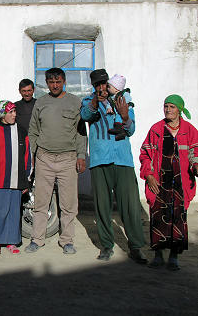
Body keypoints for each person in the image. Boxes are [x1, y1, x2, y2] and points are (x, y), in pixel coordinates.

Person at [80, 69, 147, 263]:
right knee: (102, 206)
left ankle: (135, 247)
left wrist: (125, 117)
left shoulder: (121, 99)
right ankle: (107, 246)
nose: (102, 88)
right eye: (98, 85)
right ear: (93, 86)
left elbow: (131, 129)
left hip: (122, 159)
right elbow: (86, 115)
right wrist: (96, 101)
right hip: (100, 159)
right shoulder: (88, 101)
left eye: (104, 83)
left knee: (130, 205)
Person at [25, 68, 87, 255]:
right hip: (44, 158)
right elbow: (33, 131)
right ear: (46, 83)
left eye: (58, 81)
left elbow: (81, 132)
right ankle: (37, 239)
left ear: (64, 81)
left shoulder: (75, 102)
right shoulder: (41, 103)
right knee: (41, 202)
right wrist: (33, 157)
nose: (55, 85)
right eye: (51, 82)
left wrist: (81, 156)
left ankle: (67, 240)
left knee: (68, 203)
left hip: (68, 159)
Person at [140, 95, 198, 270]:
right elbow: (145, 155)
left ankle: (174, 257)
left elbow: (195, 152)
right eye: (166, 106)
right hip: (159, 183)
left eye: (172, 107)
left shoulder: (189, 130)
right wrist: (149, 175)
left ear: (179, 109)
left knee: (178, 219)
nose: (168, 110)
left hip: (180, 185)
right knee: (158, 219)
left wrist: (195, 165)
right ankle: (158, 256)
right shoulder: (156, 129)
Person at [0, 100, 32, 255]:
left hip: (16, 179)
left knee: (13, 211)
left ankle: (12, 241)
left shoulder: (21, 131)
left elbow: (27, 157)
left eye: (14, 112)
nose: (14, 115)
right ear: (2, 114)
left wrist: (25, 179)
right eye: (10, 112)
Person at [103, 74, 134, 141]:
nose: (107, 88)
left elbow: (128, 99)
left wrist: (123, 105)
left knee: (119, 117)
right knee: (118, 117)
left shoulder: (124, 94)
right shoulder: (111, 97)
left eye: (109, 87)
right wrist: (109, 107)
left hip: (127, 110)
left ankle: (119, 129)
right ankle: (120, 133)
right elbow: (109, 102)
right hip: (118, 112)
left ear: (116, 89)